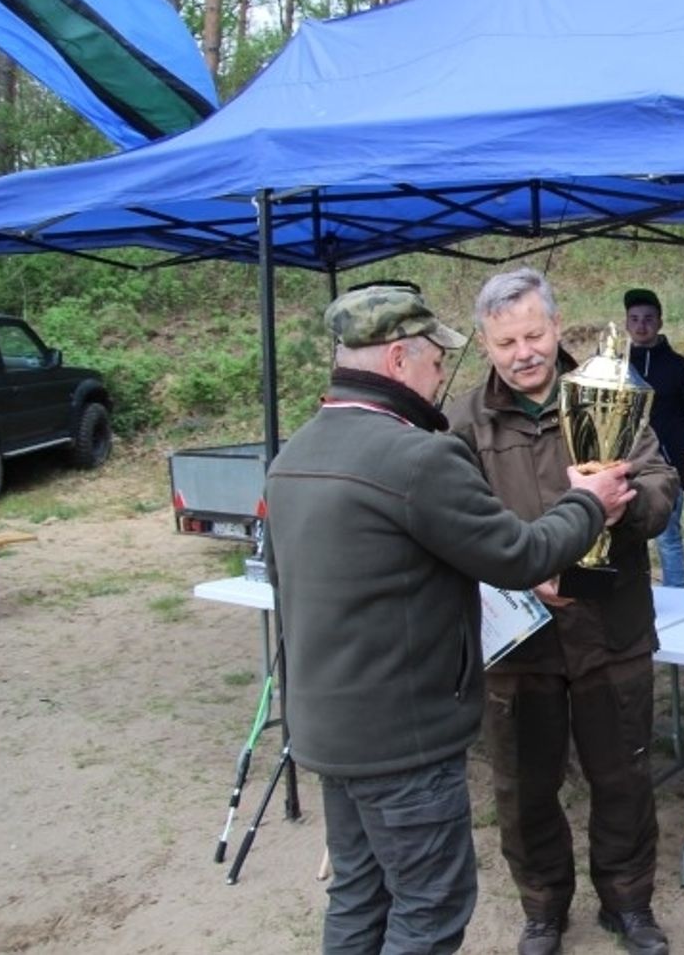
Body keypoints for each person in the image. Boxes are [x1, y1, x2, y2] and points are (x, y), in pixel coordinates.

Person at [264, 282, 634, 955]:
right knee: (429, 911)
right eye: (436, 360)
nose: (442, 375)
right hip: (403, 737)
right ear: (398, 359)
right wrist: (588, 501)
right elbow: (520, 554)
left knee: (359, 895)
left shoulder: (295, 455)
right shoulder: (417, 456)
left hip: (327, 730)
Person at [445, 267, 679, 955]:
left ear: (556, 325)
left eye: (534, 334)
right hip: (518, 640)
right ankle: (543, 907)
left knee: (623, 776)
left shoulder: (609, 392)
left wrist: (623, 504)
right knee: (524, 787)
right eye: (506, 341)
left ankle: (628, 902)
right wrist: (518, 576)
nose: (524, 353)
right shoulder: (462, 422)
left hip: (612, 628)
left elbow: (662, 486)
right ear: (485, 344)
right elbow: (449, 528)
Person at [623, 287, 684, 588]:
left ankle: (678, 594)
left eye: (648, 319)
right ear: (626, 323)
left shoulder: (679, 367)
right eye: (634, 319)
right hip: (622, 466)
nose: (641, 326)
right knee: (625, 537)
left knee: (668, 537)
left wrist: (675, 446)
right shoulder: (616, 366)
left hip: (668, 467)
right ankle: (633, 592)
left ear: (660, 322)